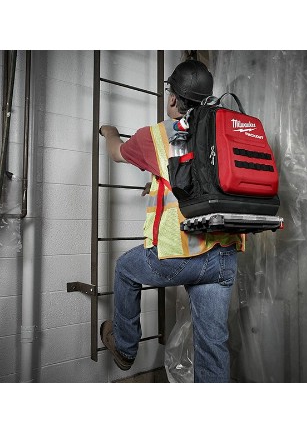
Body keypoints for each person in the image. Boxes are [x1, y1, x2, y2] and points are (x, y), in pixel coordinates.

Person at [99, 60, 245, 383]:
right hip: (223, 255)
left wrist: (109, 132)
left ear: (174, 98)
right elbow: (204, 179)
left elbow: (116, 152)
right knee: (212, 349)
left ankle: (124, 347)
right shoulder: (224, 128)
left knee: (125, 269)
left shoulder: (158, 135)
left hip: (180, 255)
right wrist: (155, 183)